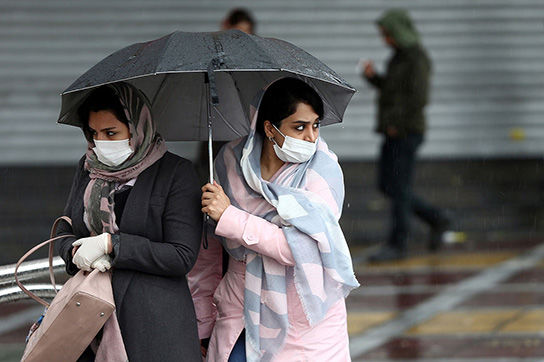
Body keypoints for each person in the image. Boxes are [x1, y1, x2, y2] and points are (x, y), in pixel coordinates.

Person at [188, 77, 359, 361]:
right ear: (269, 127)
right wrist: (202, 323)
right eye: (299, 127)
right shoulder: (230, 161)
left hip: (302, 319)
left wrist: (230, 216)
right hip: (238, 309)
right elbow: (208, 253)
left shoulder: (321, 172)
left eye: (315, 125)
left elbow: (300, 248)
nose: (311, 138)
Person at [55, 83, 203, 361]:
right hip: (89, 319)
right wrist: (74, 252)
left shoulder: (175, 173)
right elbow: (64, 229)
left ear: (137, 128)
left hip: (154, 328)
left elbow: (181, 255)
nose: (102, 143)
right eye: (94, 134)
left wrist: (112, 244)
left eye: (111, 133)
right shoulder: (88, 169)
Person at [361, 9, 451, 262]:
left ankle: (398, 244)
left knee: (399, 188)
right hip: (394, 131)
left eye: (387, 35)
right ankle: (437, 218)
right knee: (388, 185)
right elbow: (393, 91)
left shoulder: (416, 58)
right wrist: (374, 78)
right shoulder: (398, 58)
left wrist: (397, 124)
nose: (385, 40)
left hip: (406, 132)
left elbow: (419, 98)